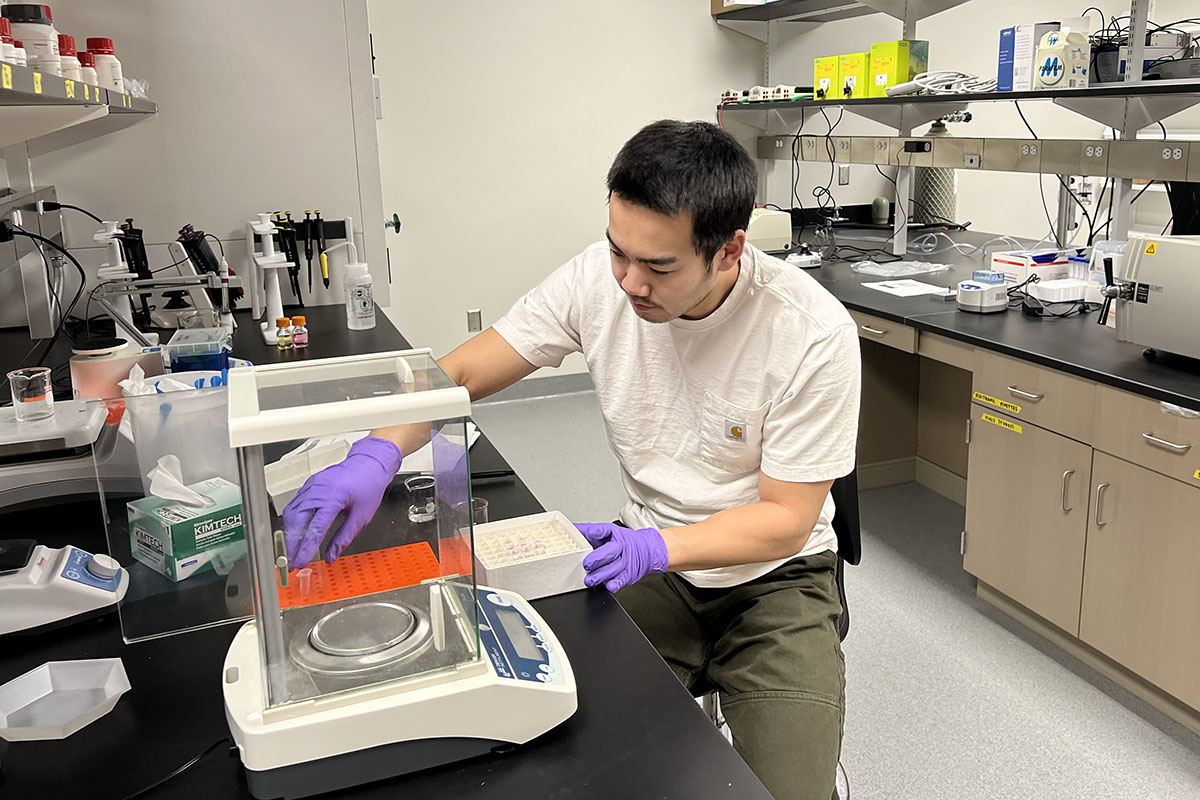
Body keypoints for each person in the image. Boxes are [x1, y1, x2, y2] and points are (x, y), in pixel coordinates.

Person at [282, 119, 861, 800]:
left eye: (659, 266)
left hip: (776, 582)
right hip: (652, 562)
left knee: (788, 790)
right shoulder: (598, 279)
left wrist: (654, 548)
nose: (630, 282)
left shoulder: (810, 332)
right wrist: (377, 450)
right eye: (621, 252)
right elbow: (466, 366)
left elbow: (786, 521)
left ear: (730, 249)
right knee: (559, 758)